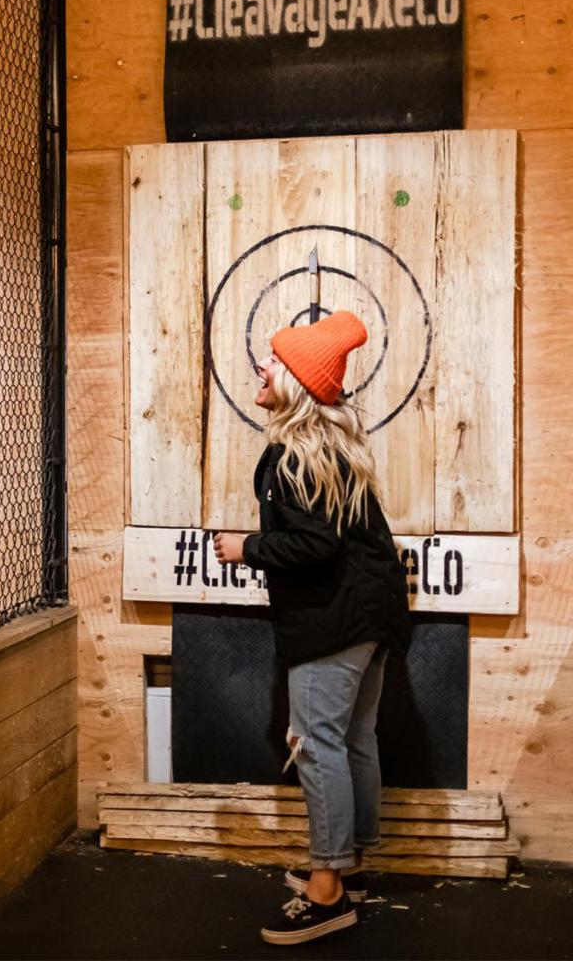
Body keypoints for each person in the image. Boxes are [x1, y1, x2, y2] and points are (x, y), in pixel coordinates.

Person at [211, 310, 411, 947]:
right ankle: (348, 867)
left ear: (295, 381)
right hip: (372, 616)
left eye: (273, 362)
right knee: (355, 739)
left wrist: (249, 547)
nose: (261, 369)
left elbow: (315, 545)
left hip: (334, 622)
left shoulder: (293, 457)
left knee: (320, 745)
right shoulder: (330, 449)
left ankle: (328, 893)